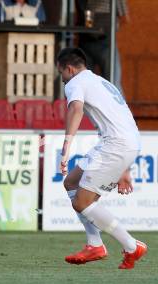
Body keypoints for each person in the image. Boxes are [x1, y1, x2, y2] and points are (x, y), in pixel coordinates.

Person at [57, 48, 146, 270]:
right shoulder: (102, 82)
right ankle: (95, 244)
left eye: (61, 73)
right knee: (71, 182)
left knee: (82, 202)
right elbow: (120, 118)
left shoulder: (74, 83)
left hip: (116, 145)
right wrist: (124, 168)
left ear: (69, 69)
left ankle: (131, 245)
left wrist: (66, 145)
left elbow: (76, 109)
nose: (63, 79)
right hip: (121, 141)